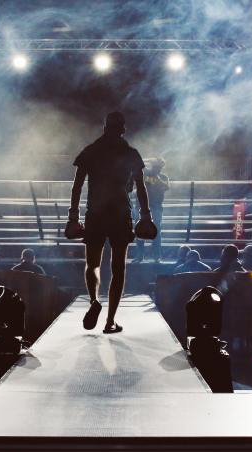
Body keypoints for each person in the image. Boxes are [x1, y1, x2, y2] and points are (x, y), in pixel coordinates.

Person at [68, 111, 153, 333]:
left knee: (93, 264)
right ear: (123, 129)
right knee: (118, 268)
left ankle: (94, 300)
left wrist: (73, 216)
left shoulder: (90, 151)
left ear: (104, 127)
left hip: (95, 213)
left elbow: (77, 187)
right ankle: (110, 321)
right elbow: (141, 188)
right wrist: (146, 215)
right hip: (119, 214)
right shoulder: (131, 154)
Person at [134, 158, 169, 263]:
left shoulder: (163, 178)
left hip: (156, 207)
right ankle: (140, 256)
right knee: (140, 231)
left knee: (157, 231)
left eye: (159, 167)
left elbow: (163, 186)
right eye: (155, 166)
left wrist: (152, 173)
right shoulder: (144, 175)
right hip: (142, 207)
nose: (157, 168)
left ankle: (156, 256)